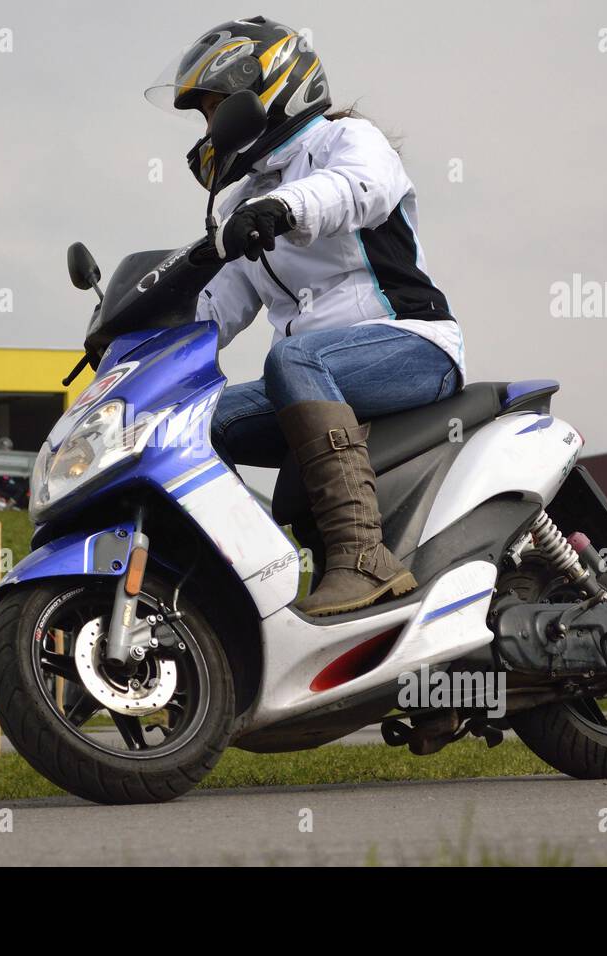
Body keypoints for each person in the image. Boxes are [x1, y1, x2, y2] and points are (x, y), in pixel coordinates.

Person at [145, 16, 465, 617]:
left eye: (215, 108)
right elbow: (219, 305)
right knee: (186, 422)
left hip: (410, 345)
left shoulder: (348, 142)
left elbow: (355, 188)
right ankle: (245, 583)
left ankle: (364, 558)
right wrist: (141, 340)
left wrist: (283, 206)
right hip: (312, 380)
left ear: (266, 90)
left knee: (292, 355)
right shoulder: (242, 200)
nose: (211, 127)